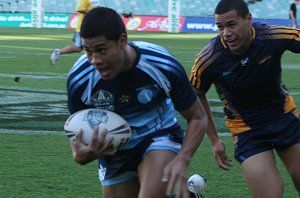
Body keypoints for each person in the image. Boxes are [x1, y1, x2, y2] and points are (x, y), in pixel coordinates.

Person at [66, 7, 208, 198]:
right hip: (114, 150)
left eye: (101, 50)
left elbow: (198, 118)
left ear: (122, 41)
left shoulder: (161, 64)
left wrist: (183, 159)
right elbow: (77, 130)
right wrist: (80, 155)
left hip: (158, 135)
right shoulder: (79, 79)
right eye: (88, 51)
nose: (94, 60)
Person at [189, 0, 300, 197]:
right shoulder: (209, 58)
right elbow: (195, 94)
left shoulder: (271, 35)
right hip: (247, 130)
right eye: (220, 27)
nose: (226, 33)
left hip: (284, 117)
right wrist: (214, 140)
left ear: (249, 19)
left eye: (231, 25)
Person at [49, 0, 100, 65]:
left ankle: (58, 52)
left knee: (83, 47)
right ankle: (58, 52)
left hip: (92, 26)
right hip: (83, 27)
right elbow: (80, 9)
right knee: (82, 47)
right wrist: (93, 13)